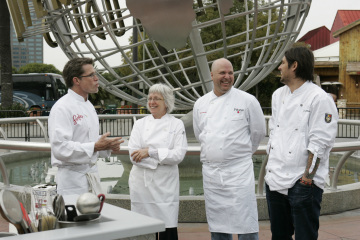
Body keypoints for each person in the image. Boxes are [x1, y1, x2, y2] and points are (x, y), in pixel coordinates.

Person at [265, 46, 339, 240]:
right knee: (279, 236)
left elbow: (320, 142)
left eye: (282, 63)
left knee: (305, 237)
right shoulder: (278, 95)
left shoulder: (319, 98)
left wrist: (307, 179)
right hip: (275, 180)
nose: (279, 67)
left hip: (302, 183)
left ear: (294, 66)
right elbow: (274, 131)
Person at [193, 58, 266, 240]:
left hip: (239, 173)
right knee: (218, 225)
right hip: (212, 175)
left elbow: (258, 133)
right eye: (222, 73)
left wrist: (237, 155)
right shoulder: (200, 104)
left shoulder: (248, 101)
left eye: (230, 73)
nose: (227, 77)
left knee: (246, 222)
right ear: (211, 76)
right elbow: (199, 134)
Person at [48, 58, 124, 196]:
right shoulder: (62, 108)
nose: (96, 79)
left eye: (96, 74)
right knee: (74, 217)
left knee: (94, 216)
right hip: (72, 181)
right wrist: (95, 146)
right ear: (76, 80)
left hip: (92, 176)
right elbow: (60, 148)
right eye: (91, 75)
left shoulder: (88, 105)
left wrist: (106, 145)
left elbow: (89, 139)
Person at [128, 83, 187, 240]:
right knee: (143, 229)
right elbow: (133, 156)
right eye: (150, 98)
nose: (152, 102)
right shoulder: (139, 124)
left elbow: (178, 155)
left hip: (165, 186)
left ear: (166, 102)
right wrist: (160, 158)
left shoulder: (176, 124)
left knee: (167, 228)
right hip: (142, 186)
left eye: (156, 99)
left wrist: (150, 152)